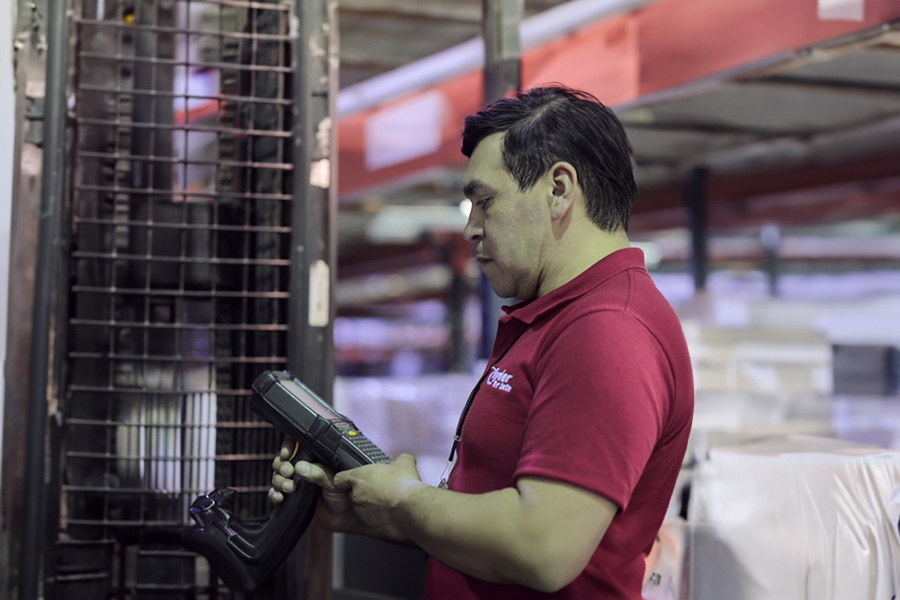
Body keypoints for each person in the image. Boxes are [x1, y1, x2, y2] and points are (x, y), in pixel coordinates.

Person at [270, 85, 694, 599]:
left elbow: (542, 546)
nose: (471, 228)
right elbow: (497, 517)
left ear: (559, 189)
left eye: (484, 201)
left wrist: (405, 496)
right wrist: (379, 510)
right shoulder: (557, 319)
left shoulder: (608, 330)